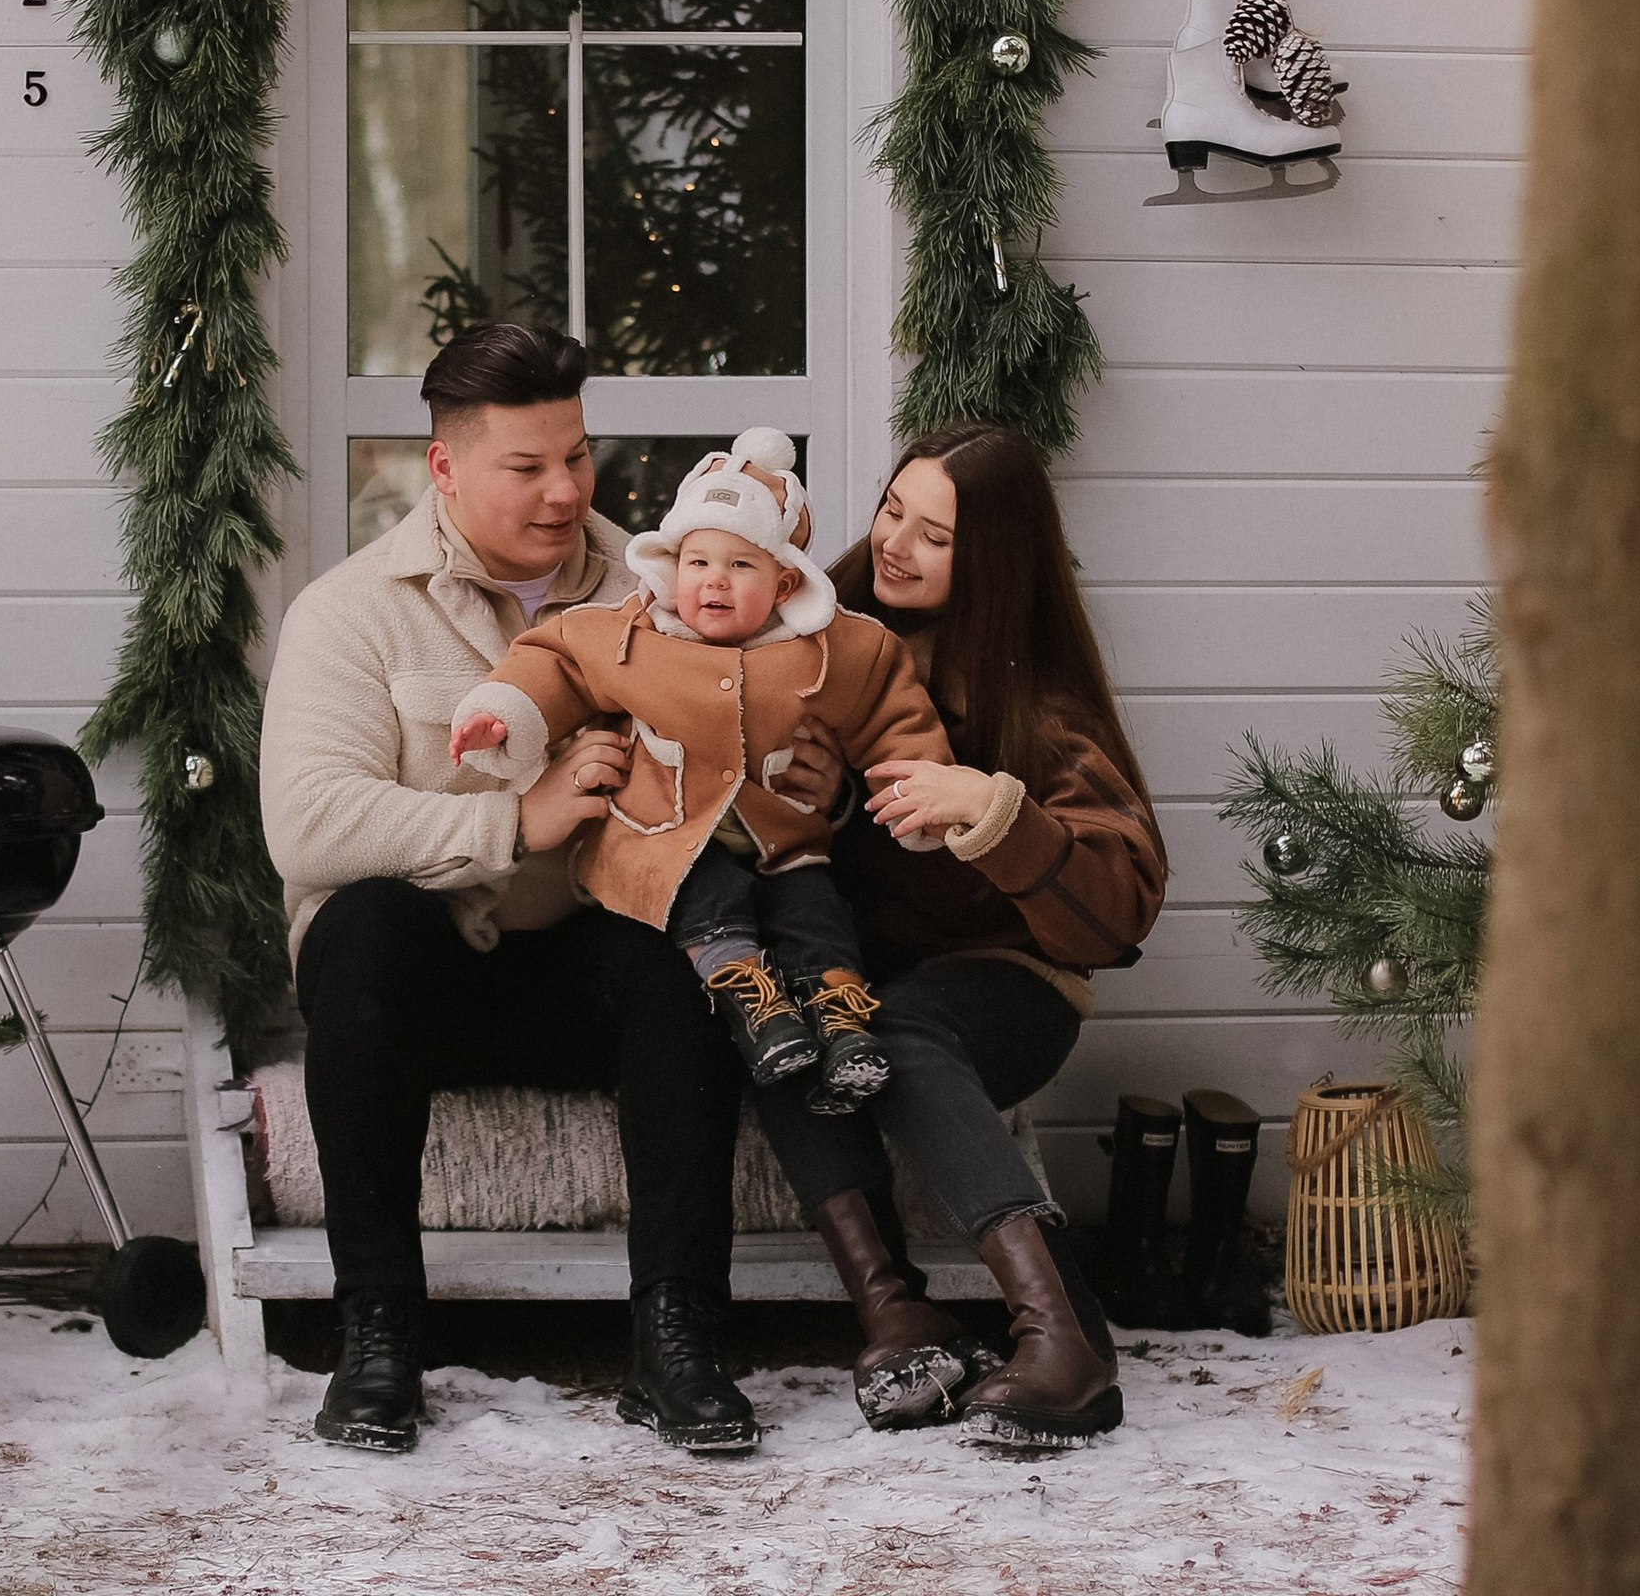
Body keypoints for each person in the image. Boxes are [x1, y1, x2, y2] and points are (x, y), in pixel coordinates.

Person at [258, 324, 758, 1457]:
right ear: (443, 467)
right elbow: (308, 822)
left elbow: (738, 751)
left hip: (583, 969)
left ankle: (678, 1334)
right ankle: (377, 1328)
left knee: (681, 938)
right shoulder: (350, 611)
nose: (562, 491)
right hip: (414, 990)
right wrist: (509, 820)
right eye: (525, 467)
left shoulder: (660, 595)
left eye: (575, 458)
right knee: (366, 920)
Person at [753, 422, 1169, 1447]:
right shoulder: (815, 628)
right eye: (894, 509)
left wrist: (992, 809)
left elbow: (1119, 900)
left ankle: (1057, 1331)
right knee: (781, 1013)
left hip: (1009, 981)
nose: (896, 541)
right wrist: (825, 799)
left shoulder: (1038, 696)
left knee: (892, 1026)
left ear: (990, 555)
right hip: (849, 965)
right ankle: (897, 1316)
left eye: (933, 534)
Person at [448, 429, 953, 1113]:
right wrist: (505, 715)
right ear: (669, 567)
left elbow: (892, 712)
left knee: (815, 912)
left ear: (784, 581)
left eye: (741, 566)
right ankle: (755, 1007)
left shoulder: (830, 650)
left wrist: (919, 792)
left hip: (785, 842)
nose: (714, 580)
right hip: (668, 838)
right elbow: (558, 661)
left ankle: (841, 1023)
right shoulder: (634, 636)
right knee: (707, 896)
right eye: (698, 561)